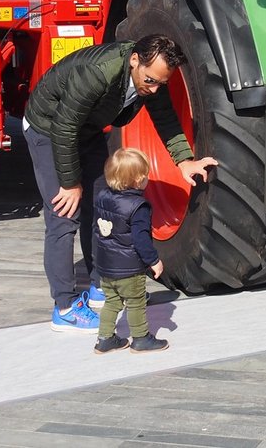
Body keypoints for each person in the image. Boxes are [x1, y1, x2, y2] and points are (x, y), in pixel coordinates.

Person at [23, 33, 218, 331]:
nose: (153, 89)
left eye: (160, 84)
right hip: (48, 129)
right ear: (134, 60)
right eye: (150, 80)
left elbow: (165, 117)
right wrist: (71, 182)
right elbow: (64, 127)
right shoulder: (97, 73)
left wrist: (183, 160)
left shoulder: (153, 77)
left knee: (103, 205)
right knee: (64, 215)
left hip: (85, 130)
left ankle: (101, 286)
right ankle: (64, 307)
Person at [92, 147, 168, 353]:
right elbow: (141, 239)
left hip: (106, 267)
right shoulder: (137, 206)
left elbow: (97, 229)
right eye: (145, 176)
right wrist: (154, 261)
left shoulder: (102, 196)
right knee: (136, 303)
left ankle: (105, 339)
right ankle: (141, 338)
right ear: (137, 181)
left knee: (112, 302)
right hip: (129, 268)